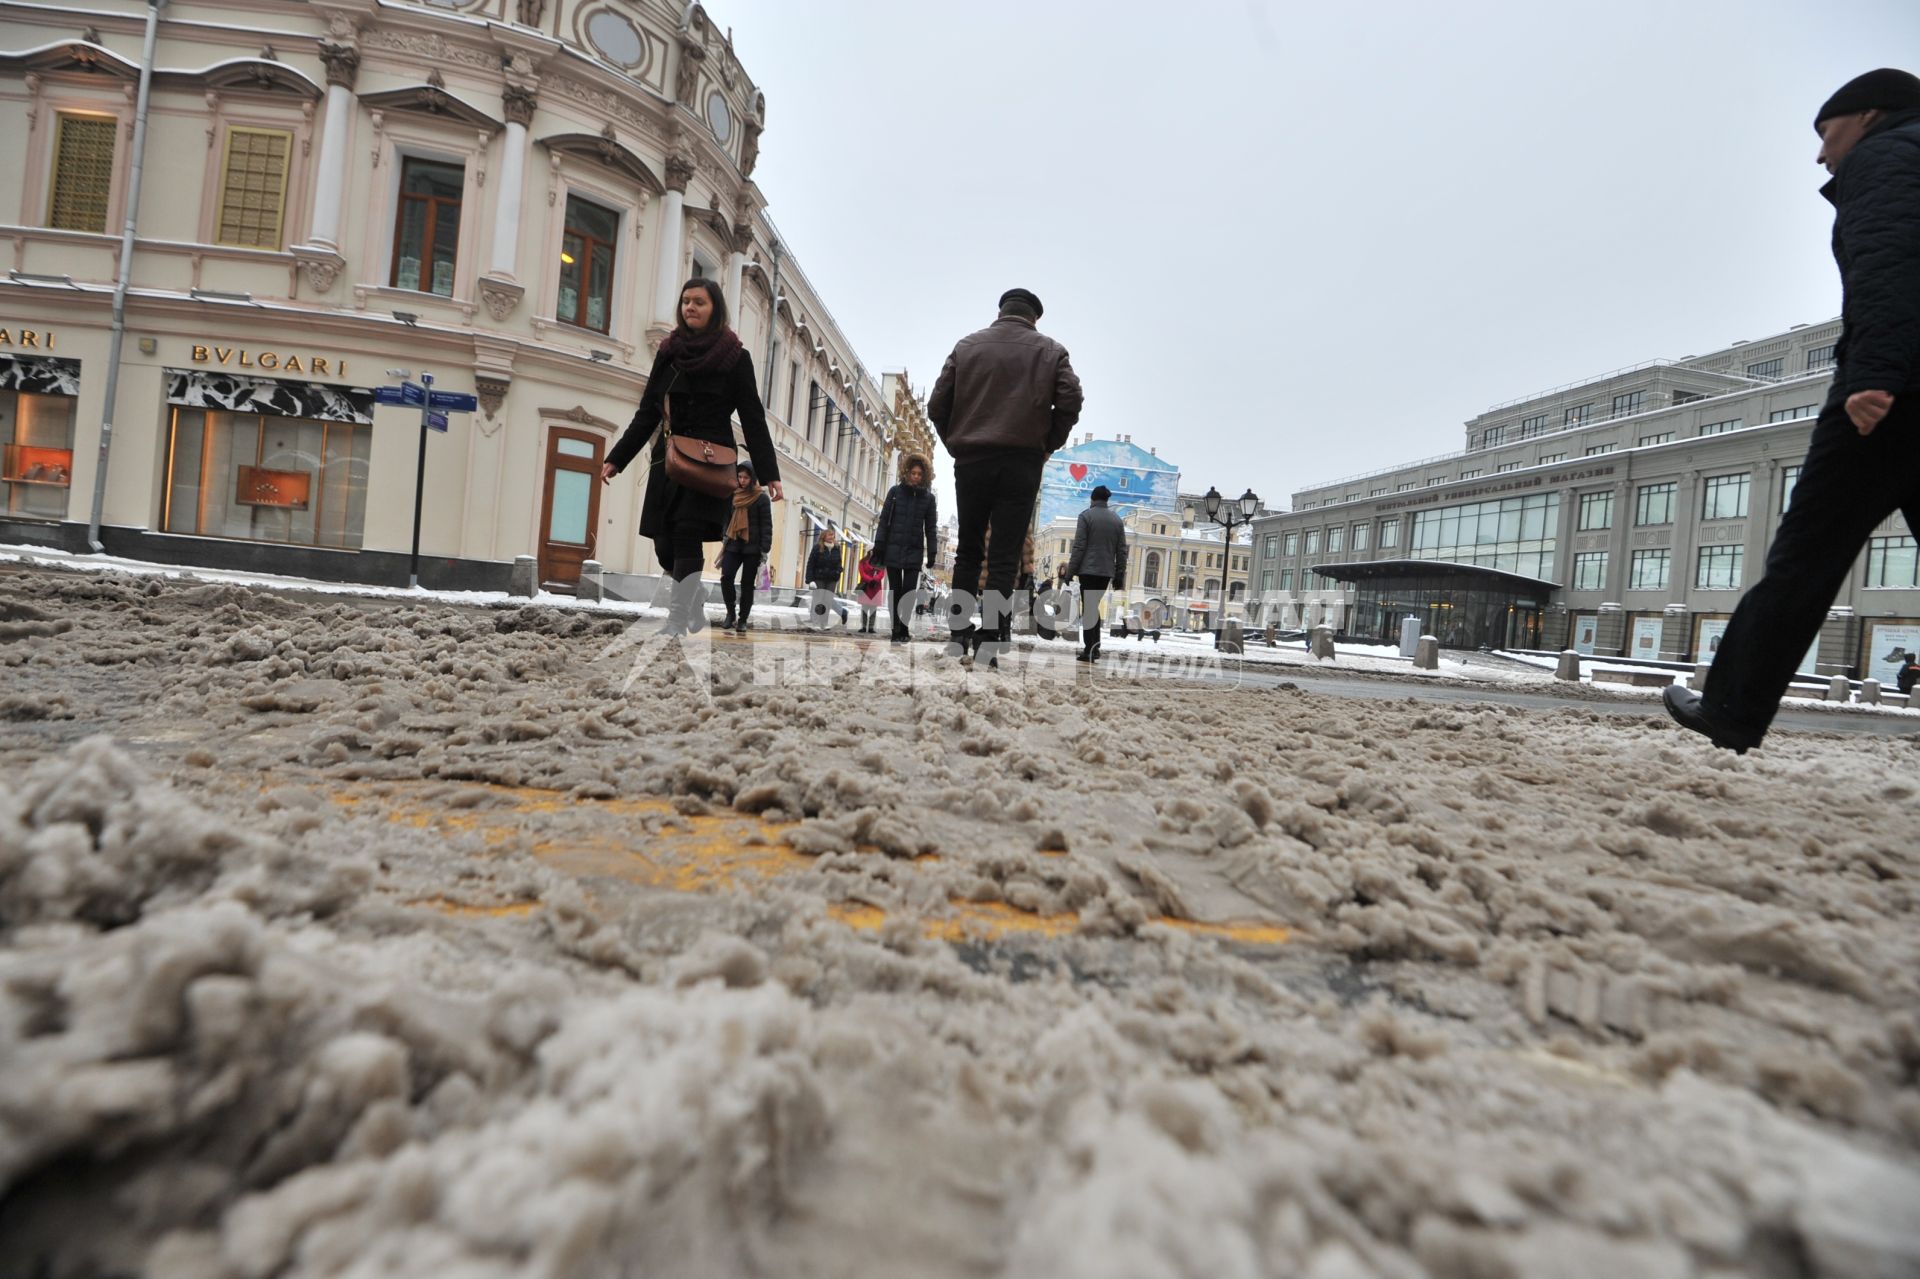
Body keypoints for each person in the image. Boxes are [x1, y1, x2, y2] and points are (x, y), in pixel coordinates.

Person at [1664, 69, 1920, 753]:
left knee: (1805, 555)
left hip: (1890, 393)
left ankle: (1732, 707)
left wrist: (1874, 374)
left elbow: (1890, 261)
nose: (1820, 154)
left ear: (1867, 116)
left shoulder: (1887, 156)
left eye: (1825, 132)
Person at [603, 278, 781, 636]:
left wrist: (768, 471)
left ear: (715, 308)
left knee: (685, 535)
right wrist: (617, 458)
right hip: (668, 460)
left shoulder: (735, 358)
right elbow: (647, 412)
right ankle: (694, 596)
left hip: (708, 461)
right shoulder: (669, 354)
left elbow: (752, 417)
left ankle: (677, 619)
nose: (690, 308)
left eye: (699, 301)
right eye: (685, 301)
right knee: (664, 545)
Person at [928, 287, 1083, 667]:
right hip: (1022, 462)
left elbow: (936, 405)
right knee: (1004, 557)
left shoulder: (967, 347)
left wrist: (957, 443)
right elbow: (1071, 400)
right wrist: (1046, 444)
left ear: (1000, 312)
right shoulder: (1051, 351)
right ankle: (992, 642)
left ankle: (957, 635)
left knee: (967, 550)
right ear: (1034, 317)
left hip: (972, 460)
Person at [871, 452, 939, 643]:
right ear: (907, 473)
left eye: (919, 474)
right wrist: (879, 545)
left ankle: (904, 626)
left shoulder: (928, 499)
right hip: (893, 548)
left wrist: (932, 551)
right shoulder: (895, 493)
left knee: (909, 592)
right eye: (913, 473)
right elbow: (884, 521)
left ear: (924, 476)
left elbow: (931, 527)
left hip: (914, 550)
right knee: (896, 590)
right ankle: (895, 629)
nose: (916, 476)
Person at [1062, 484, 1129, 663]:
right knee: (1093, 608)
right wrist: (1119, 574)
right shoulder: (1117, 520)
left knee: (1089, 609)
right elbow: (1122, 550)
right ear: (1106, 500)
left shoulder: (1086, 516)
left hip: (1088, 571)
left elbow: (1079, 546)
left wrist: (1070, 571)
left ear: (1092, 499)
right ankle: (1094, 647)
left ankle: (1090, 649)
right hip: (1106, 573)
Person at [715, 461, 771, 633]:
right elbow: (726, 517)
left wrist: (764, 548)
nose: (742, 480)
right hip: (733, 543)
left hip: (752, 548)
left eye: (746, 477)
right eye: (739, 476)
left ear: (752, 478)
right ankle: (730, 614)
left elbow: (766, 525)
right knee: (726, 577)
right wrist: (725, 533)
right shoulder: (733, 494)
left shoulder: (761, 498)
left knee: (747, 584)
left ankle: (743, 620)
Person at [805, 529, 849, 626]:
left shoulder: (837, 548)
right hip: (819, 578)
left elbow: (839, 563)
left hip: (831, 579)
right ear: (824, 536)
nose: (831, 537)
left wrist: (838, 572)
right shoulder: (817, 547)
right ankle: (816, 622)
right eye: (829, 535)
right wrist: (809, 580)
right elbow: (810, 564)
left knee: (827, 601)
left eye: (833, 535)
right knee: (818, 600)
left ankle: (823, 623)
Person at [855, 553, 885, 634]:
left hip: (876, 587)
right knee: (864, 608)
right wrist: (870, 580)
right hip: (865, 586)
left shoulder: (880, 562)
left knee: (873, 608)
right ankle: (864, 627)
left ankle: (871, 627)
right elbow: (862, 573)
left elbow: (882, 573)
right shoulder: (863, 561)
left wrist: (875, 579)